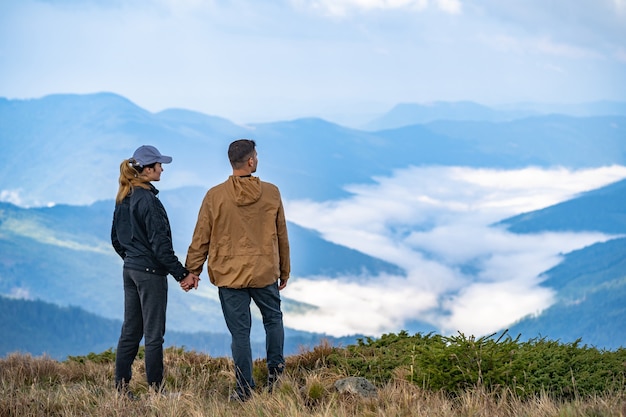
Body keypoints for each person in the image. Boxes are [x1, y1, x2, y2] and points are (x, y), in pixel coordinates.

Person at [185, 139, 290, 401]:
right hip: (265, 270)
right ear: (251, 161)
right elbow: (281, 235)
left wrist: (192, 270)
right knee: (273, 320)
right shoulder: (272, 193)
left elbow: (201, 237)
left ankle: (244, 389)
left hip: (229, 275)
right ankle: (276, 377)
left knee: (240, 333)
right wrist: (284, 270)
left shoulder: (214, 196)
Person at [111, 145, 200, 397]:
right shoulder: (148, 200)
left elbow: (116, 239)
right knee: (153, 334)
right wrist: (183, 274)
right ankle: (157, 392)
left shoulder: (124, 196)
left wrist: (132, 260)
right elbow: (161, 248)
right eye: (159, 165)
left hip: (131, 270)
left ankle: (121, 388)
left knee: (130, 331)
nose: (162, 168)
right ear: (148, 170)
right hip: (149, 274)